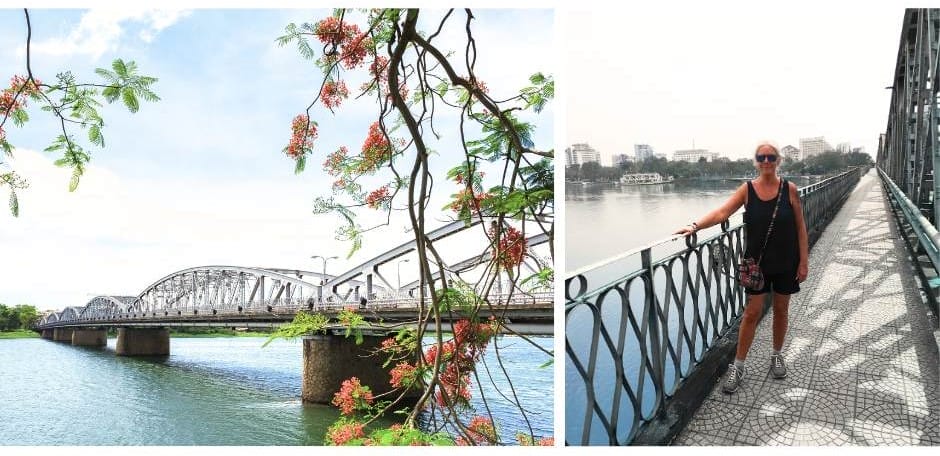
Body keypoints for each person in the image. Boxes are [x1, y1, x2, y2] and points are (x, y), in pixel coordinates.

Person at [674, 142, 809, 394]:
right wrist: (695, 226)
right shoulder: (747, 190)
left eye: (771, 157)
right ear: (756, 161)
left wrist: (803, 261)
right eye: (762, 157)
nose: (766, 161)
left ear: (778, 161)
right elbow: (722, 213)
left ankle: (777, 355)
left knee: (781, 310)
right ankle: (738, 366)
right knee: (751, 313)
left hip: (785, 261)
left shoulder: (789, 189)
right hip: (755, 264)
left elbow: (800, 226)